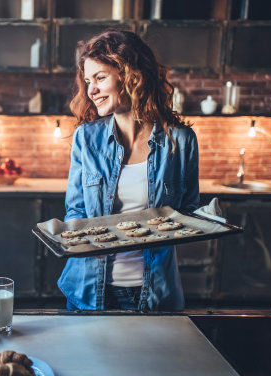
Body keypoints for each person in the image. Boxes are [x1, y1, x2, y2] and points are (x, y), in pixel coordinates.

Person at [59, 30, 199, 311]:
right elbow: (76, 212)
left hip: (154, 294)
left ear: (131, 75)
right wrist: (70, 236)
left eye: (100, 78)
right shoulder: (86, 138)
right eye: (88, 81)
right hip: (88, 290)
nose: (91, 90)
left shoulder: (181, 141)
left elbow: (188, 214)